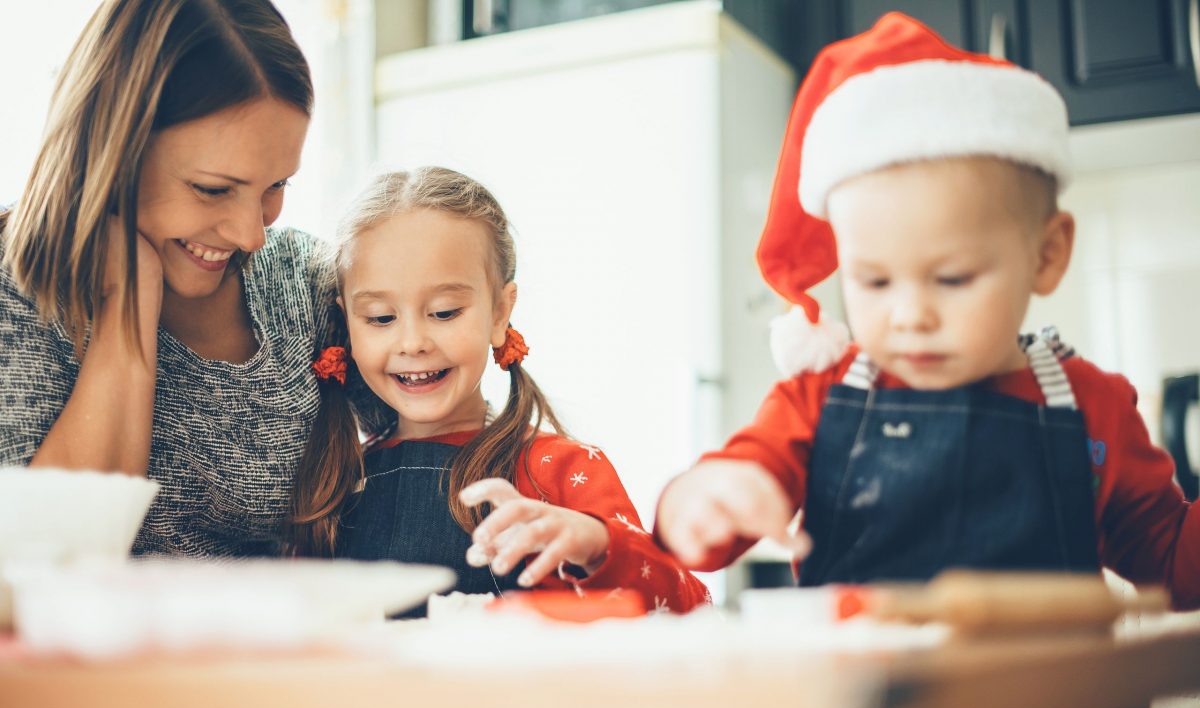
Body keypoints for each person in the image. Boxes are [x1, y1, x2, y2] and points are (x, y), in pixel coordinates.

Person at [655, 13, 1200, 609]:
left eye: (951, 278)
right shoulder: (816, 400)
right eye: (874, 281)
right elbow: (715, 518)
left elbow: (1173, 564)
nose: (910, 315)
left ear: (1047, 255)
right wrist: (704, 498)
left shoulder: (1095, 408)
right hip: (865, 672)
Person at [0, 0, 380, 556]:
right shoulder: (15, 292)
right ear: (114, 150)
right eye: (213, 189)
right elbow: (38, 561)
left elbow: (452, 437)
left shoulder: (305, 282)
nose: (251, 235)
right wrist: (127, 303)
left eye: (277, 185)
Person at [289, 167, 710, 615]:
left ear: (499, 313)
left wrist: (596, 547)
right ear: (348, 322)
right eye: (380, 318)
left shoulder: (558, 470)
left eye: (444, 312)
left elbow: (688, 607)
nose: (412, 343)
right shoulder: (337, 482)